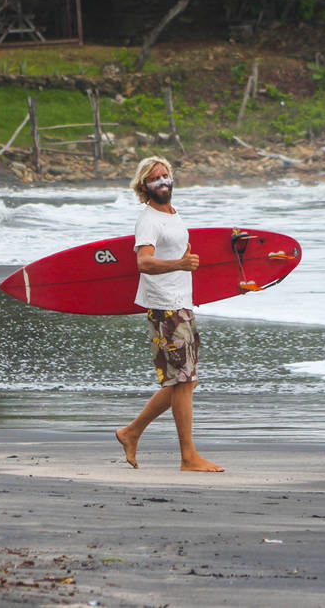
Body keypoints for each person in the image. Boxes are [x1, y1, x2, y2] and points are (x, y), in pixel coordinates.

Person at [115, 156, 224, 472]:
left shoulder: (173, 215)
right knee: (185, 380)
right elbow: (144, 262)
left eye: (165, 175)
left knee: (183, 382)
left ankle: (131, 432)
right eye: (155, 178)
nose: (162, 181)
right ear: (144, 186)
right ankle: (188, 457)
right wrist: (179, 265)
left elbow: (177, 257)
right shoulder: (149, 219)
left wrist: (190, 284)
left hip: (179, 304)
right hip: (166, 308)